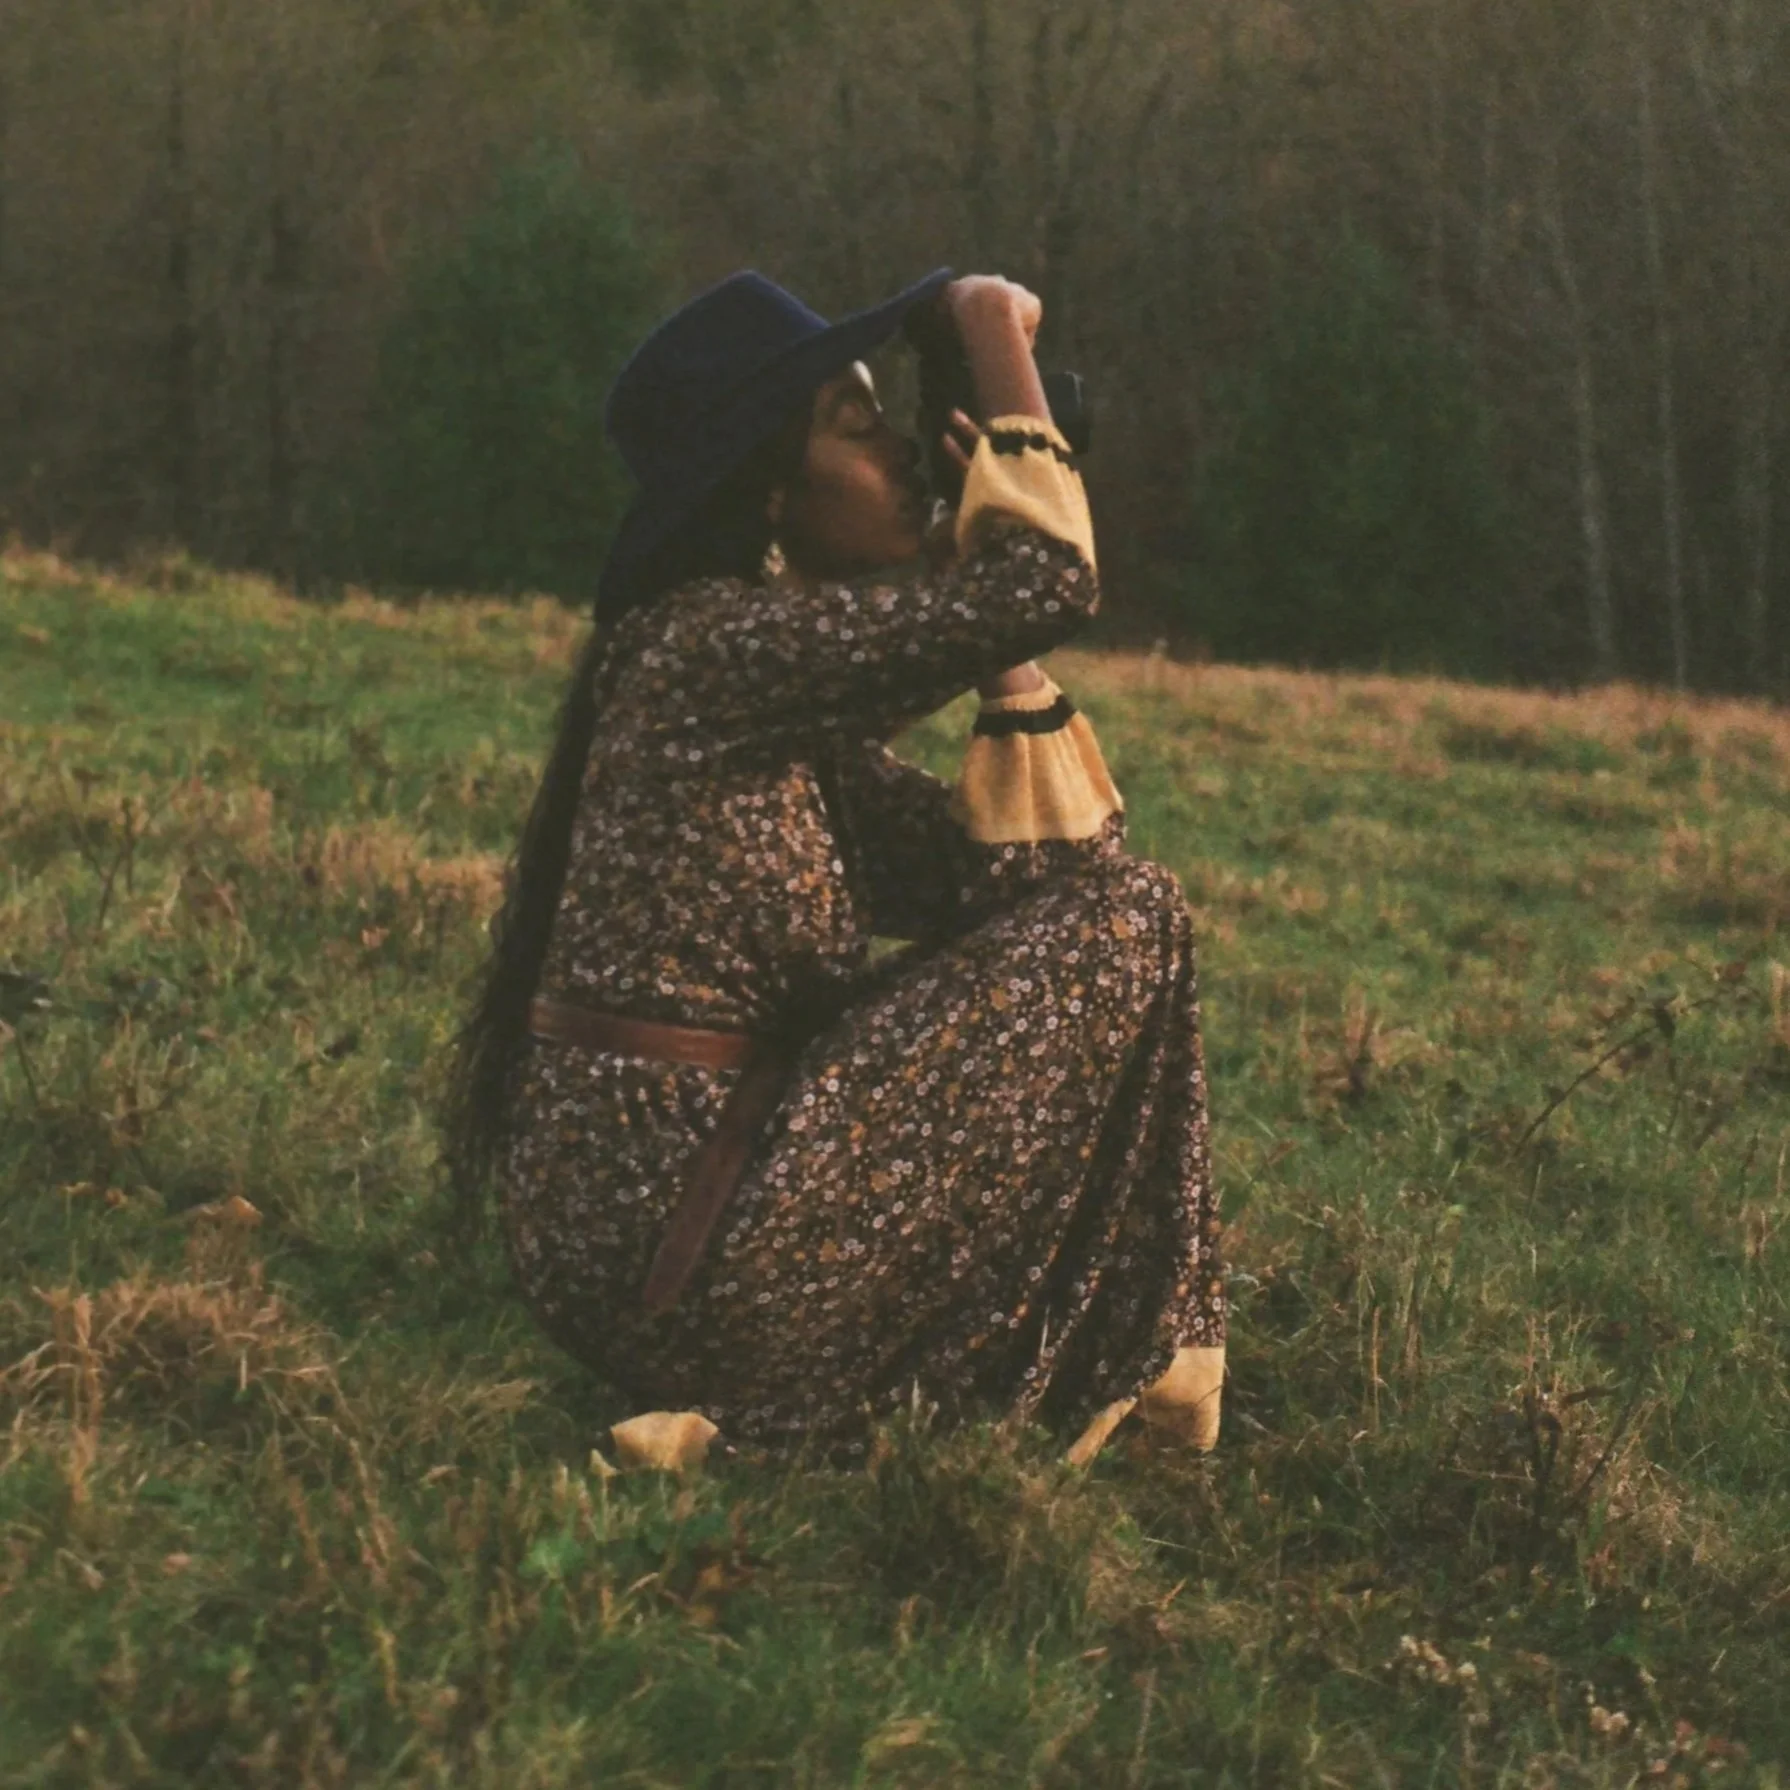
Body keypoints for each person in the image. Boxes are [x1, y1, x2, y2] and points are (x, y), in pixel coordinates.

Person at [444, 266, 1225, 1464]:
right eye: (860, 427)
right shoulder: (696, 653)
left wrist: (979, 576)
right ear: (764, 487)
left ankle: (1133, 1357)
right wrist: (980, 325)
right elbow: (1051, 582)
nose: (903, 455)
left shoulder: (781, 725)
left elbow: (1053, 884)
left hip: (700, 1221)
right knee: (1135, 912)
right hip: (678, 1233)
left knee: (1125, 912)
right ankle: (1138, 1358)